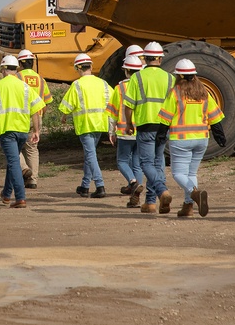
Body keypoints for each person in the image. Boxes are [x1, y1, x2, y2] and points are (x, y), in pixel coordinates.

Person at [157, 59, 226, 217]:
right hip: (201, 139)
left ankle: (194, 193)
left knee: (178, 174)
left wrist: (160, 137)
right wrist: (220, 137)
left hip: (181, 139)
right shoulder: (204, 92)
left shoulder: (175, 93)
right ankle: (188, 208)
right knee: (191, 173)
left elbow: (166, 118)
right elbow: (215, 117)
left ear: (179, 75)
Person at [0, 55, 44, 208]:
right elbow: (36, 110)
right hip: (22, 131)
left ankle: (20, 197)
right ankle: (6, 194)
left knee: (14, 162)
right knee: (13, 161)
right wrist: (36, 131)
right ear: (16, 69)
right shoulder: (25, 87)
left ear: (3, 69)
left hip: (7, 131)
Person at [123, 41, 174, 214]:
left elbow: (128, 105)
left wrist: (129, 124)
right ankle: (150, 202)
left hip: (145, 125)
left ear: (145, 58)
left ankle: (161, 191)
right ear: (160, 58)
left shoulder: (137, 77)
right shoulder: (170, 78)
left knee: (146, 163)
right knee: (158, 163)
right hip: (164, 126)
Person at [59, 53, 112, 198]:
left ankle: (100, 186)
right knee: (91, 155)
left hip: (85, 125)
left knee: (90, 155)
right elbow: (113, 102)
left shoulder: (77, 85)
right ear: (91, 66)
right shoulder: (103, 83)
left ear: (77, 68)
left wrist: (64, 116)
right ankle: (85, 186)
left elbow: (67, 105)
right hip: (101, 123)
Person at [108, 54, 145, 208]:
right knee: (136, 164)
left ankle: (133, 182)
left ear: (126, 71)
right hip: (141, 130)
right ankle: (136, 194)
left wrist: (111, 132)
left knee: (122, 161)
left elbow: (113, 113)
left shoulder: (120, 87)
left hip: (125, 131)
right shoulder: (143, 86)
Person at [16, 49, 51, 189]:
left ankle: (24, 168)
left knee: (14, 146)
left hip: (20, 117)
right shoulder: (40, 79)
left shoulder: (17, 78)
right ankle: (33, 180)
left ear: (20, 63)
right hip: (37, 117)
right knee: (32, 149)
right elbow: (46, 101)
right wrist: (41, 115)